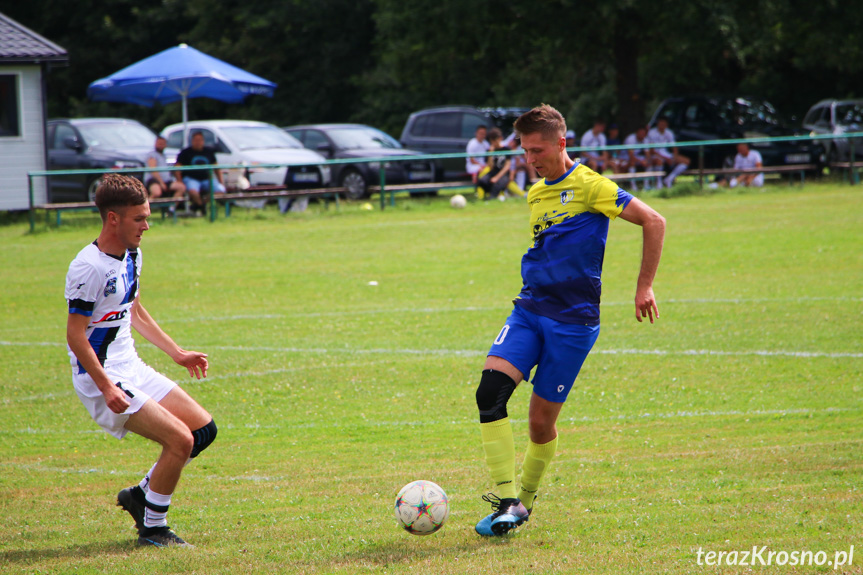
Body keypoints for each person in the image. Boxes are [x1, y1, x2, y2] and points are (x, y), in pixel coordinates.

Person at [473, 104, 665, 536]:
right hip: (529, 310)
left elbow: (654, 221)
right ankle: (505, 499)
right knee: (490, 393)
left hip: (572, 322)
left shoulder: (591, 186)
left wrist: (644, 286)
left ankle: (524, 502)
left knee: (540, 425)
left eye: (537, 150)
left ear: (562, 142)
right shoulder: (536, 192)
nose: (530, 160)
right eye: (524, 152)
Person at [64, 174, 216, 547]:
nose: (147, 226)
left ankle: (140, 496)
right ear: (112, 218)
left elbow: (134, 309)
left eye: (147, 217)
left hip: (130, 366)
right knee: (179, 440)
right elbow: (75, 335)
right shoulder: (88, 268)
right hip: (100, 375)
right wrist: (106, 386)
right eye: (139, 218)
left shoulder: (132, 254)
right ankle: (153, 528)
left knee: (201, 432)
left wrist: (177, 353)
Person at [175, 131, 226, 215]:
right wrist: (180, 181)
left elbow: (217, 168)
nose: (198, 142)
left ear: (203, 141)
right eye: (196, 140)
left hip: (207, 179)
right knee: (193, 191)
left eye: (200, 140)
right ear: (192, 141)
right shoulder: (185, 152)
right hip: (191, 179)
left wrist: (221, 182)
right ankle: (201, 207)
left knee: (220, 190)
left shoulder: (208, 152)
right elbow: (177, 168)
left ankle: (202, 204)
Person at [477, 128, 525, 200]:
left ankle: (493, 197)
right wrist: (491, 154)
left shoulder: (506, 149)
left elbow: (507, 166)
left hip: (504, 174)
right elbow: (490, 166)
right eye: (491, 141)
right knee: (482, 181)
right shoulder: (489, 150)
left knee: (497, 184)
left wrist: (497, 177)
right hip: (493, 171)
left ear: (499, 139)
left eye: (494, 141)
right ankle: (490, 196)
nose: (493, 143)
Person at [647, 117, 689, 188]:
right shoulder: (651, 133)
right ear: (658, 124)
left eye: (664, 124)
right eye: (661, 123)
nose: (662, 125)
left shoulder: (669, 132)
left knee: (686, 161)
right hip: (656, 154)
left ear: (666, 124)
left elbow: (674, 147)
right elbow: (651, 150)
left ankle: (669, 179)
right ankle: (658, 183)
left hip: (666, 154)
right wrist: (666, 159)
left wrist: (674, 158)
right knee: (659, 161)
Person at [144, 136, 186, 205]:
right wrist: (161, 183)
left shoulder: (163, 156)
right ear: (155, 144)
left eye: (162, 143)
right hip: (153, 180)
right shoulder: (152, 155)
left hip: (166, 181)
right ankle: (144, 209)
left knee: (181, 187)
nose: (160, 145)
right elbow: (153, 170)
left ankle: (171, 209)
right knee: (156, 192)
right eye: (159, 143)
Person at [624, 125, 652, 190]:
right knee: (632, 163)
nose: (642, 135)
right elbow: (630, 156)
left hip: (638, 157)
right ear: (637, 132)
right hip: (626, 158)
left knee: (649, 163)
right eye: (641, 133)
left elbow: (647, 154)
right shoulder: (630, 139)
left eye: (644, 133)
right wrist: (641, 161)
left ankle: (646, 186)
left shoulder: (645, 139)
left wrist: (647, 161)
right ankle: (634, 187)